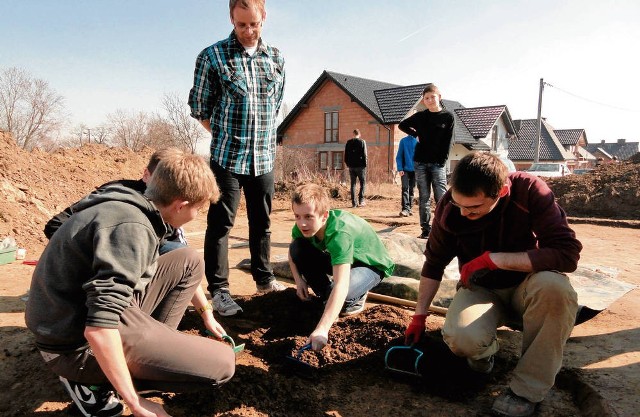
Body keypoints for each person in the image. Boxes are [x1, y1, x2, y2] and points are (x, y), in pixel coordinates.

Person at [26, 151, 236, 417]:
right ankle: (95, 381)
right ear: (180, 205)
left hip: (73, 316)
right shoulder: (131, 228)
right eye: (199, 208)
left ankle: (150, 355)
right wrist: (136, 403)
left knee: (188, 260)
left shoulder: (131, 205)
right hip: (71, 346)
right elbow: (99, 330)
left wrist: (206, 313)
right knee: (222, 363)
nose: (198, 214)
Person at [404, 152, 582, 417]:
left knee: (556, 289)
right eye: (459, 204)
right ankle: (484, 357)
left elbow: (567, 254)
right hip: (483, 290)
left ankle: (526, 390)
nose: (463, 213)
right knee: (462, 338)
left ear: (501, 191)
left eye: (473, 208)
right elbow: (434, 263)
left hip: (529, 287)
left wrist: (494, 260)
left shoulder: (529, 191)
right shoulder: (450, 207)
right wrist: (419, 315)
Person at [188, 0, 287, 317]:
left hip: (264, 159)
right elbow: (200, 108)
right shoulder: (212, 57)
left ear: (264, 18)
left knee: (263, 223)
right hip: (228, 158)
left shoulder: (276, 58)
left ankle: (264, 278)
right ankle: (219, 291)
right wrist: (225, 135)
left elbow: (276, 106)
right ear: (231, 18)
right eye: (241, 24)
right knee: (220, 225)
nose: (248, 31)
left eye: (254, 24)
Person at [288, 183, 395, 350]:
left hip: (369, 264)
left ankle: (355, 299)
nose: (302, 224)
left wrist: (322, 329)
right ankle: (327, 299)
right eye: (297, 216)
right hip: (343, 259)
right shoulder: (303, 225)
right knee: (298, 249)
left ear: (324, 216)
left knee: (341, 295)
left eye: (308, 217)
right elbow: (292, 250)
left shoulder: (339, 234)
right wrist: (299, 280)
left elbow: (341, 284)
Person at [43, 148, 188, 255]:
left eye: (173, 182)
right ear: (146, 175)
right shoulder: (114, 193)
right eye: (160, 180)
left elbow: (178, 246)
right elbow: (55, 225)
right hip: (103, 265)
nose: (166, 188)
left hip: (138, 265)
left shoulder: (171, 205)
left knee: (179, 252)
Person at [398, 83, 455, 239]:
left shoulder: (448, 117)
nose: (430, 100)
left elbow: (448, 141)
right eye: (427, 98)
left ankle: (443, 229)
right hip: (420, 162)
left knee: (441, 198)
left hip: (438, 164)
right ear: (423, 100)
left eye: (432, 97)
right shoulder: (421, 116)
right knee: (424, 198)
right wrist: (415, 134)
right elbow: (402, 125)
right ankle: (426, 230)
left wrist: (442, 161)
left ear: (439, 97)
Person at [344, 129, 368, 208]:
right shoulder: (362, 142)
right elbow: (365, 155)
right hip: (360, 166)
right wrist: (365, 164)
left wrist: (348, 164)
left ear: (353, 134)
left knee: (353, 184)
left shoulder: (348, 142)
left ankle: (354, 203)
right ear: (359, 134)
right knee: (362, 183)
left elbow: (346, 155)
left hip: (351, 166)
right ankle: (361, 201)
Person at [395, 134, 418, 217]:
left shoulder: (419, 141)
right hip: (405, 170)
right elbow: (399, 156)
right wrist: (400, 168)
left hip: (416, 170)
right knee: (405, 188)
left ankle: (409, 209)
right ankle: (405, 209)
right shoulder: (403, 141)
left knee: (412, 190)